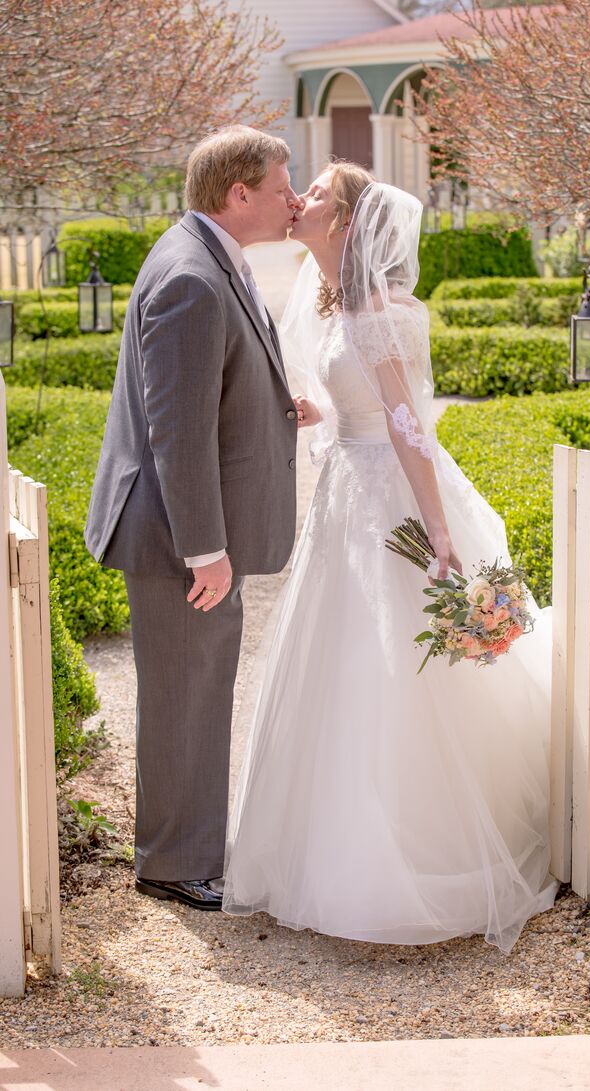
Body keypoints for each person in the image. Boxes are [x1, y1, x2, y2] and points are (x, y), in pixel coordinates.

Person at [223, 163, 558, 951]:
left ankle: (414, 851)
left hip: (389, 499)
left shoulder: (378, 312)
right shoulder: (332, 301)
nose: (298, 201)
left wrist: (439, 534)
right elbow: (357, 402)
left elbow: (409, 428)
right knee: (336, 660)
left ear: (345, 223)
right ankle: (326, 846)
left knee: (395, 666)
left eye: (315, 197)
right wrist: (313, 409)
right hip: (344, 491)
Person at [85, 126, 303, 911]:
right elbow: (176, 432)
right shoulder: (191, 278)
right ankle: (174, 863)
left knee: (201, 688)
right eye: (282, 187)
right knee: (185, 695)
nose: (294, 199)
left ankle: (190, 848)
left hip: (191, 533)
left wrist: (283, 410)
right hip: (180, 538)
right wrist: (205, 548)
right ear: (237, 194)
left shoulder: (206, 257)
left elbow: (214, 389)